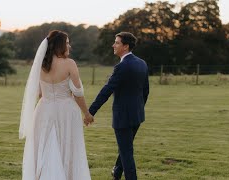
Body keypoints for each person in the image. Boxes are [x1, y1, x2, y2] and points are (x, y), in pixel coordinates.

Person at [19, 30, 93, 180]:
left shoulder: (40, 64)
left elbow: (39, 92)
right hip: (66, 110)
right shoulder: (69, 64)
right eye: (66, 43)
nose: (69, 46)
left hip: (43, 109)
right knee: (67, 145)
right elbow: (78, 93)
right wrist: (87, 114)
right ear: (60, 45)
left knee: (44, 145)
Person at [86, 32, 149, 180]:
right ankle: (117, 173)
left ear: (126, 46)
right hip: (137, 115)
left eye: (117, 43)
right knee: (125, 148)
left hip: (123, 117)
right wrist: (138, 109)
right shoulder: (142, 63)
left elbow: (106, 91)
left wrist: (90, 111)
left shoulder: (122, 67)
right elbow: (145, 91)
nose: (113, 45)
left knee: (127, 153)